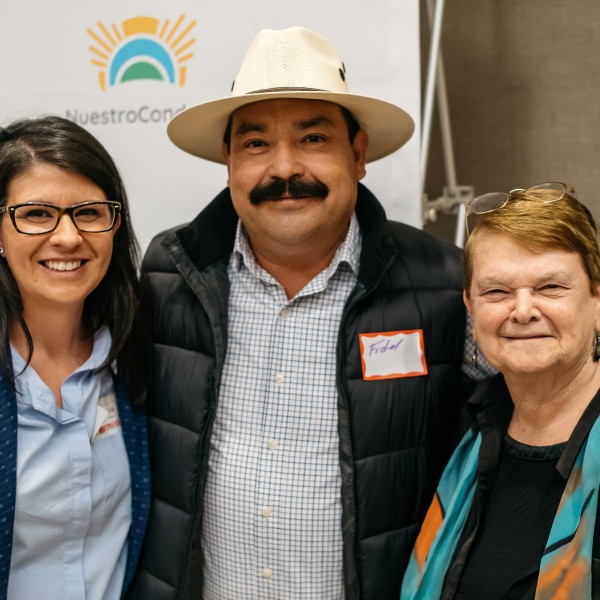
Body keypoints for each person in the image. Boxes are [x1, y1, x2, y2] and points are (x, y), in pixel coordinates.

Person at [129, 27, 473, 600]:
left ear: (357, 153)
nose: (284, 169)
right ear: (229, 159)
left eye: (313, 138)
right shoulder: (168, 273)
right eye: (256, 143)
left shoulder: (444, 284)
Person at [401, 182, 600, 599]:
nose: (523, 311)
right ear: (470, 307)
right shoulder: (469, 420)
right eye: (497, 291)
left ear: (596, 298)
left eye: (550, 287)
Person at [0, 115, 151, 599]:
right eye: (37, 214)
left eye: (88, 213)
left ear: (115, 224)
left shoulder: (136, 360)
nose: (67, 237)